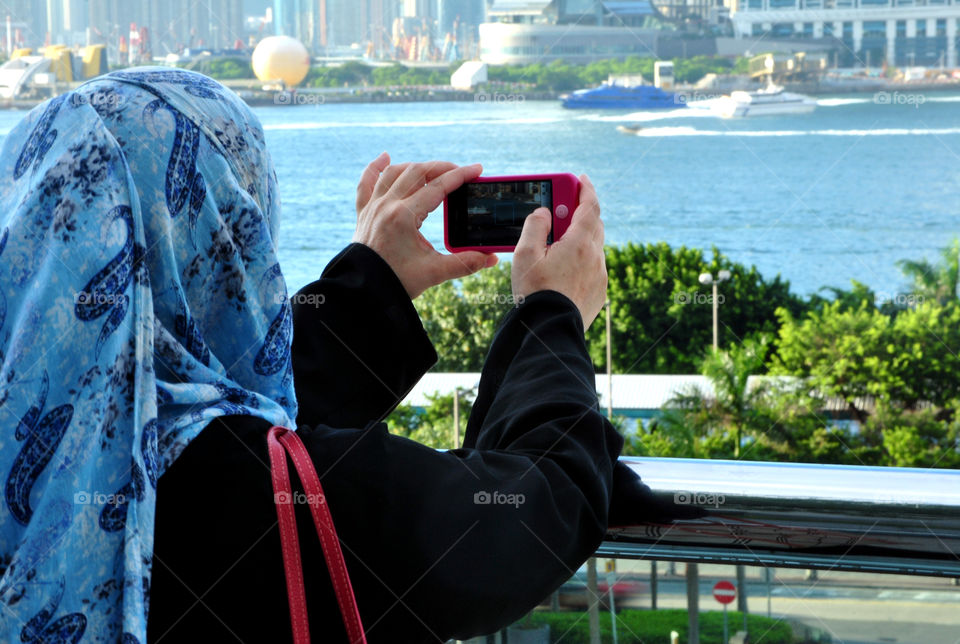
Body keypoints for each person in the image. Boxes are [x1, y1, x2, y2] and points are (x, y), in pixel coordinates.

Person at [0, 68, 662, 644]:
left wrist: (369, 289)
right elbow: (529, 514)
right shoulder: (262, 497)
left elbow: (250, 412)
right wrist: (552, 315)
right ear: (225, 235)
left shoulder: (34, 443)